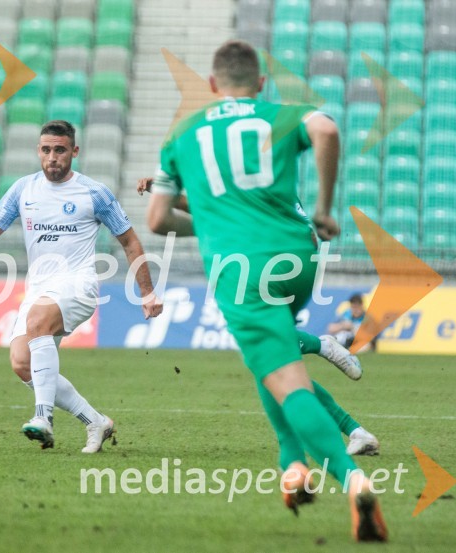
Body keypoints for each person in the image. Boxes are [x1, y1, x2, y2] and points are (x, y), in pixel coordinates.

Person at [145, 41, 387, 541]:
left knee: (286, 380)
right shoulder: (279, 114)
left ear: (212, 85)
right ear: (259, 83)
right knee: (272, 360)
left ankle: (353, 479)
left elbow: (157, 219)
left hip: (240, 270)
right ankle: (292, 464)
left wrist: (208, 225)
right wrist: (324, 208)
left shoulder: (183, 134)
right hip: (299, 259)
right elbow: (327, 129)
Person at [0, 120, 163, 453]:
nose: (52, 157)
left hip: (78, 284)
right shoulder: (23, 189)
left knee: (38, 321)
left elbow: (129, 241)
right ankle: (96, 421)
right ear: (38, 151)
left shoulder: (94, 192)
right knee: (22, 362)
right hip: (39, 288)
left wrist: (147, 292)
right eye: (46, 150)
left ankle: (43, 418)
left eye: (60, 150)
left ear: (74, 151)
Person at [137, 176, 379, 456]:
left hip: (275, 268)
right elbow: (207, 207)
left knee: (271, 363)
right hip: (272, 266)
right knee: (277, 365)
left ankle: (322, 353)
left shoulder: (259, 182)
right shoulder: (254, 178)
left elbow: (303, 232)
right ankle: (355, 430)